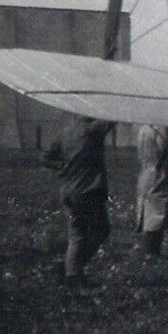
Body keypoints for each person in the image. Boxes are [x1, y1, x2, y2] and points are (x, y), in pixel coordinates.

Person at [42, 115, 116, 287]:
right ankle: (73, 272)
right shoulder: (92, 131)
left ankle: (71, 268)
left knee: (77, 234)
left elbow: (45, 157)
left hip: (69, 191)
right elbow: (112, 118)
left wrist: (61, 167)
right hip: (88, 191)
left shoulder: (64, 133)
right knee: (100, 230)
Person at [135, 125, 168, 256]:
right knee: (155, 219)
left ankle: (151, 251)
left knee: (154, 216)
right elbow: (163, 149)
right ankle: (150, 252)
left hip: (150, 176)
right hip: (156, 177)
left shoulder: (145, 130)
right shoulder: (156, 131)